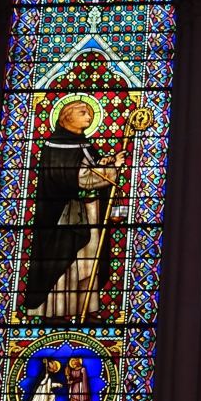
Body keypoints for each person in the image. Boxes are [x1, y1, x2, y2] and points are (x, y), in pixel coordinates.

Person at [25, 99, 126, 321]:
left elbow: (90, 168)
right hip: (63, 218)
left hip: (89, 213)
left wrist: (106, 162)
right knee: (66, 263)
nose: (89, 117)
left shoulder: (83, 144)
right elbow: (81, 179)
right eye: (83, 113)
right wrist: (112, 170)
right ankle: (54, 312)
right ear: (67, 117)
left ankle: (85, 310)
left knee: (88, 263)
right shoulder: (56, 146)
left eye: (90, 113)